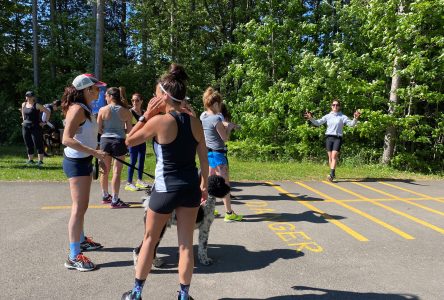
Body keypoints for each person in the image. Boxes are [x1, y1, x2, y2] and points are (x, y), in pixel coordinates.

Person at [122, 64, 208, 300]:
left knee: (150, 239)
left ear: (163, 96)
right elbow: (204, 156)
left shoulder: (159, 121)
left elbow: (129, 141)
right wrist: (204, 185)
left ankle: (136, 293)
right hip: (190, 187)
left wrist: (146, 115)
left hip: (165, 188)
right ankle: (183, 296)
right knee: (186, 246)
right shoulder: (195, 122)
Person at [61, 73, 108, 271]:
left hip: (85, 160)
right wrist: (95, 152)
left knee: (83, 205)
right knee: (78, 208)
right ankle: (73, 256)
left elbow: (89, 136)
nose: (99, 91)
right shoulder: (77, 110)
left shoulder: (87, 109)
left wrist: (97, 157)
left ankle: (80, 241)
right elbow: (66, 139)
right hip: (76, 162)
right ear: (87, 90)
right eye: (96, 88)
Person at [200, 87, 243, 222]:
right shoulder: (216, 120)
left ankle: (208, 208)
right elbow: (224, 139)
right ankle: (229, 213)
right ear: (215, 104)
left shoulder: (204, 116)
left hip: (209, 153)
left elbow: (219, 120)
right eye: (219, 104)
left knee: (210, 182)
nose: (221, 106)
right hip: (218, 154)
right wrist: (229, 128)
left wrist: (229, 124)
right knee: (225, 184)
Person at [304, 99, 361, 181]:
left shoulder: (342, 117)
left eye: (337, 105)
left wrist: (355, 118)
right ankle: (332, 174)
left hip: (337, 138)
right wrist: (311, 118)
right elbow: (318, 123)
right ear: (331, 106)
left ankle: (331, 174)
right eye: (333, 105)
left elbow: (351, 124)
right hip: (328, 137)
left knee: (334, 156)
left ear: (339, 107)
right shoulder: (328, 116)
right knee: (330, 157)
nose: (335, 106)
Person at [97, 87, 133, 208]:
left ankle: (105, 195)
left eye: (106, 96)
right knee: (116, 171)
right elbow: (129, 130)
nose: (105, 98)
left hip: (105, 140)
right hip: (119, 140)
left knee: (104, 170)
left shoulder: (102, 110)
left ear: (111, 96)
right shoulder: (126, 111)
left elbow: (99, 128)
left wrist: (107, 131)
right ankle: (115, 199)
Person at [125, 93, 150, 192]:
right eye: (133, 100)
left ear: (141, 101)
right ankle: (129, 183)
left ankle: (139, 180)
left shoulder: (144, 113)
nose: (134, 102)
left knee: (141, 161)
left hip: (142, 139)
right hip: (133, 140)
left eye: (137, 100)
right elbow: (127, 128)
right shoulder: (129, 112)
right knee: (132, 161)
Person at [21, 91, 51, 166]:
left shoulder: (37, 105)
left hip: (35, 127)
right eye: (27, 96)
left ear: (33, 97)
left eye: (30, 96)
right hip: (25, 127)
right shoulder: (24, 104)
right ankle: (30, 160)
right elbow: (22, 111)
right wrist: (23, 120)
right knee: (28, 143)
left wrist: (45, 122)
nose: (28, 98)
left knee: (38, 143)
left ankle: (40, 161)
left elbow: (47, 112)